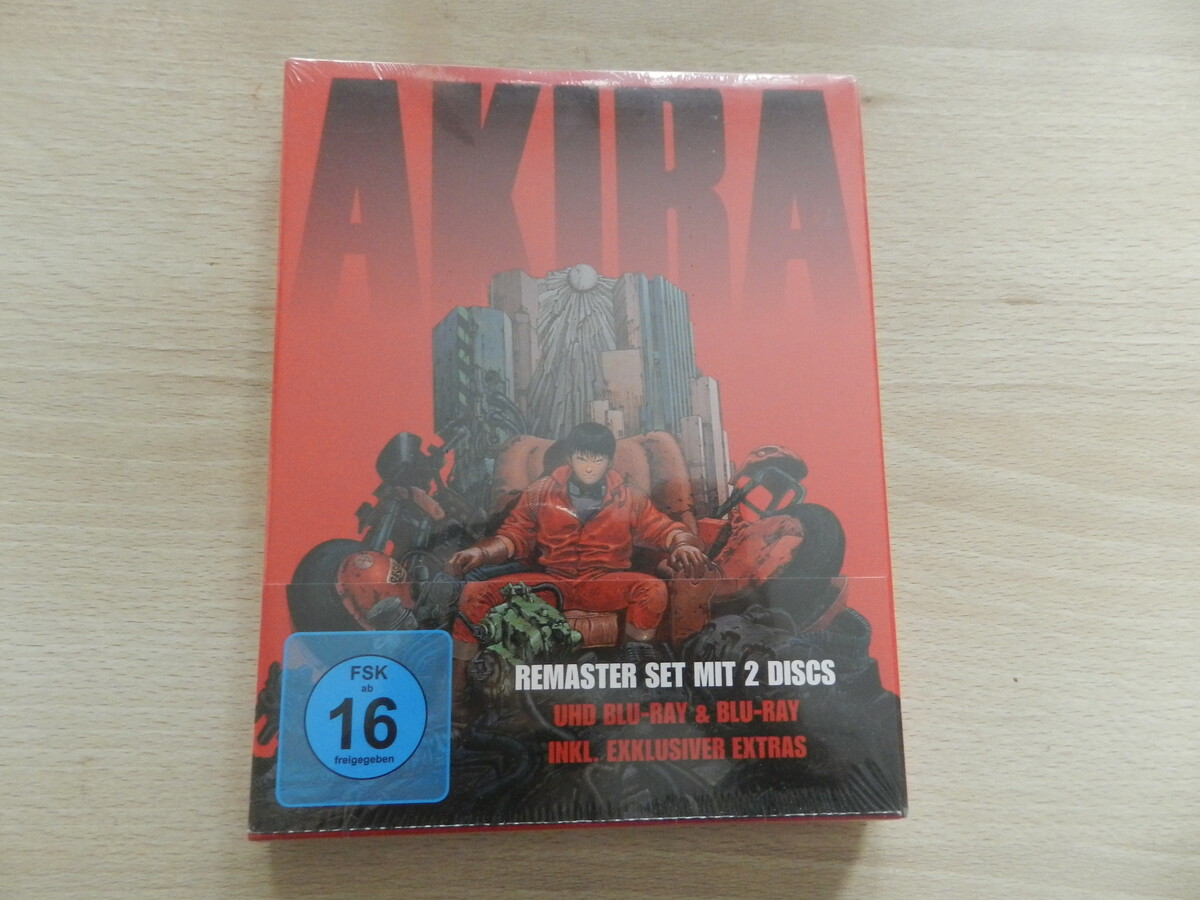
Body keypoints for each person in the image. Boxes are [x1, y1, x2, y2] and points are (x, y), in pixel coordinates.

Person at [447, 422, 707, 668]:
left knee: (652, 589)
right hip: (551, 583)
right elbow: (513, 536)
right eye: (582, 459)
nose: (590, 468)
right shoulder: (539, 491)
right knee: (475, 592)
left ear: (609, 461)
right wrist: (481, 552)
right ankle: (458, 684)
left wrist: (682, 544)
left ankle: (634, 663)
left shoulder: (631, 497)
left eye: (597, 460)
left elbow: (663, 529)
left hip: (603, 584)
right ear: (570, 458)